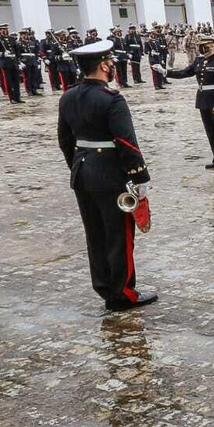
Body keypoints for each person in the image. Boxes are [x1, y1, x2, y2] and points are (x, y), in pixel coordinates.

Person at [57, 39, 157, 312]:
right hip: (111, 175)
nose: (113, 66)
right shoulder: (111, 99)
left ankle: (103, 286)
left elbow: (65, 140)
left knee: (95, 234)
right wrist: (140, 177)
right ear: (103, 65)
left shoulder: (67, 96)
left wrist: (78, 166)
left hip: (82, 172)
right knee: (118, 235)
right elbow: (126, 143)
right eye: (111, 62)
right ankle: (122, 292)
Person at [170, 34, 214, 169]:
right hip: (203, 100)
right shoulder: (198, 61)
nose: (206, 48)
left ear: (212, 46)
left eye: (209, 46)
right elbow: (184, 73)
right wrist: (165, 72)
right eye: (204, 46)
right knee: (210, 131)